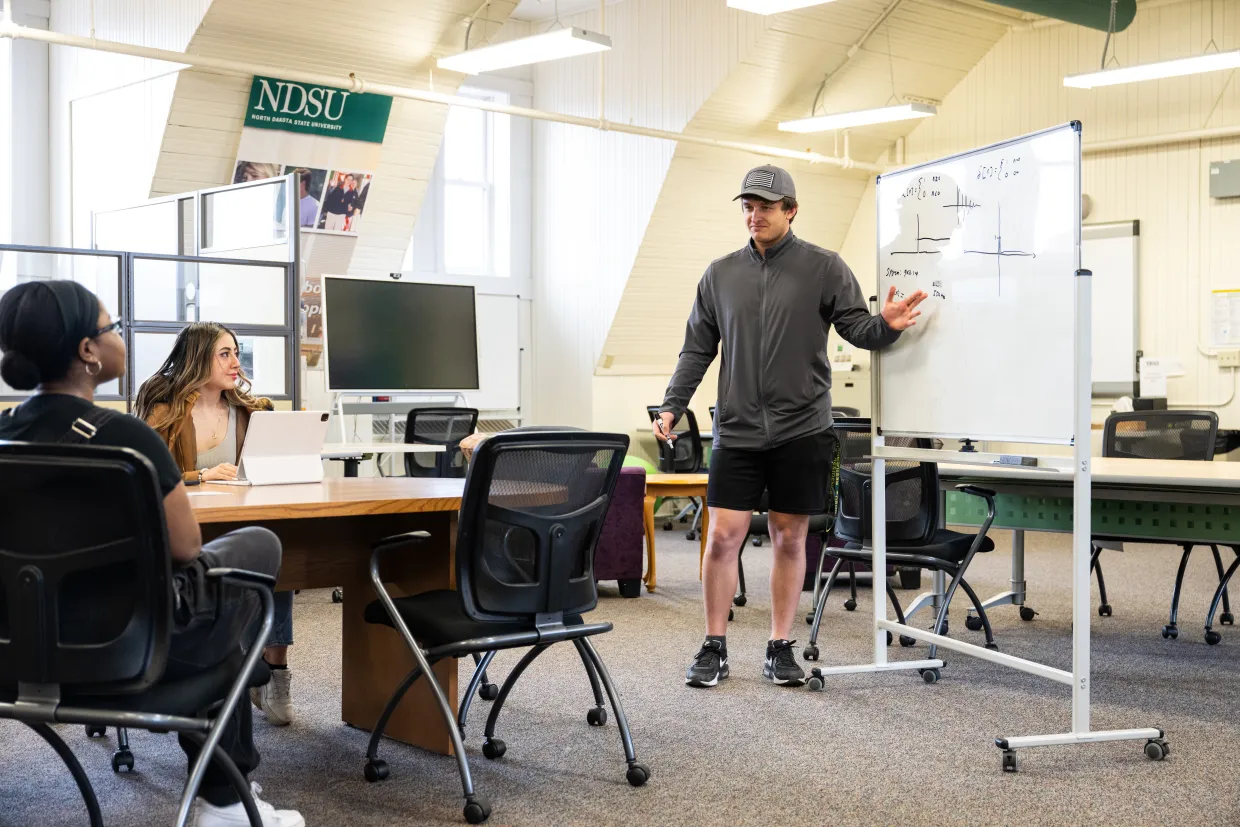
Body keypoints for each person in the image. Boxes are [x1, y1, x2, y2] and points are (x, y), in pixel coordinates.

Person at [0, 281, 303, 827]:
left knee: (223, 629)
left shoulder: (3, 435)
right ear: (88, 353)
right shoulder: (126, 439)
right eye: (110, 327)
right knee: (253, 554)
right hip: (124, 646)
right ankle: (226, 803)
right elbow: (186, 547)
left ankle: (227, 793)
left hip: (15, 648)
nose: (119, 335)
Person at [656, 165, 927, 689]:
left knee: (788, 538)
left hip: (802, 428)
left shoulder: (824, 267)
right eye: (747, 206)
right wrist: (673, 404)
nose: (754, 215)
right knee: (722, 536)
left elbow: (858, 328)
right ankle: (714, 644)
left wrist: (886, 326)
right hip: (736, 430)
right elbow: (697, 349)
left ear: (791, 210)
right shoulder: (719, 274)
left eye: (765, 206)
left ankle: (780, 645)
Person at [134, 323, 298, 728]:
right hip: (186, 527)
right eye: (224, 353)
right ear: (197, 358)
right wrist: (200, 477)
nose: (235, 362)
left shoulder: (251, 411)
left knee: (283, 552)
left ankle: (275, 669)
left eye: (237, 353)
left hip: (246, 517)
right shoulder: (165, 410)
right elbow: (151, 474)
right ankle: (225, 667)